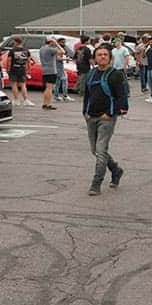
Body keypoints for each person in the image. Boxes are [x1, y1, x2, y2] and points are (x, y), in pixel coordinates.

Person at [82, 44, 127, 196]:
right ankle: (116, 169)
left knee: (101, 151)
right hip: (91, 116)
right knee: (95, 150)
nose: (102, 57)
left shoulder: (115, 75)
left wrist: (110, 113)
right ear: (94, 58)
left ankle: (96, 184)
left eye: (105, 55)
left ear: (110, 57)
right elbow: (87, 94)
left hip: (106, 118)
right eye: (99, 54)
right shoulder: (91, 73)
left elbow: (121, 96)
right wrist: (85, 112)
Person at [5, 37, 33, 107]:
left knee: (14, 85)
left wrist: (8, 69)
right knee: (23, 85)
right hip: (22, 69)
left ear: (16, 42)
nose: (13, 43)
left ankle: (16, 100)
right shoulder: (26, 50)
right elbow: (29, 61)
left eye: (14, 42)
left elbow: (9, 61)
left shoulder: (12, 51)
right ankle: (26, 100)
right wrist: (29, 70)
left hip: (14, 69)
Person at [39, 38, 60, 111]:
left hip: (45, 70)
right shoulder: (50, 49)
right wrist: (57, 44)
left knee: (47, 88)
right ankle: (48, 104)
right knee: (50, 88)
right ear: (51, 42)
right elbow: (62, 52)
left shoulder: (42, 49)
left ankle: (45, 103)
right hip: (51, 70)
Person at [54, 37, 72, 102]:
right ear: (58, 43)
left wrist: (66, 58)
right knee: (64, 82)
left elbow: (63, 56)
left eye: (64, 42)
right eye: (62, 42)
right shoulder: (57, 49)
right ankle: (65, 96)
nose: (64, 44)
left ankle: (56, 96)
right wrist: (66, 59)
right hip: (58, 68)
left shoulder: (61, 49)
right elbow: (58, 58)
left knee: (58, 83)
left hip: (60, 67)